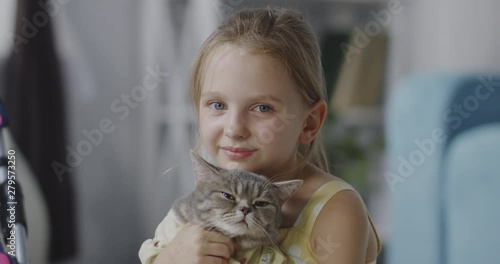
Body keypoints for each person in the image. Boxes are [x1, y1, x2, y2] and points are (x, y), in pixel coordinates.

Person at [139, 7, 381, 264]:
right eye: (218, 105)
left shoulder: (335, 209)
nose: (234, 129)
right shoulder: (211, 196)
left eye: (262, 108)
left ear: (309, 123)